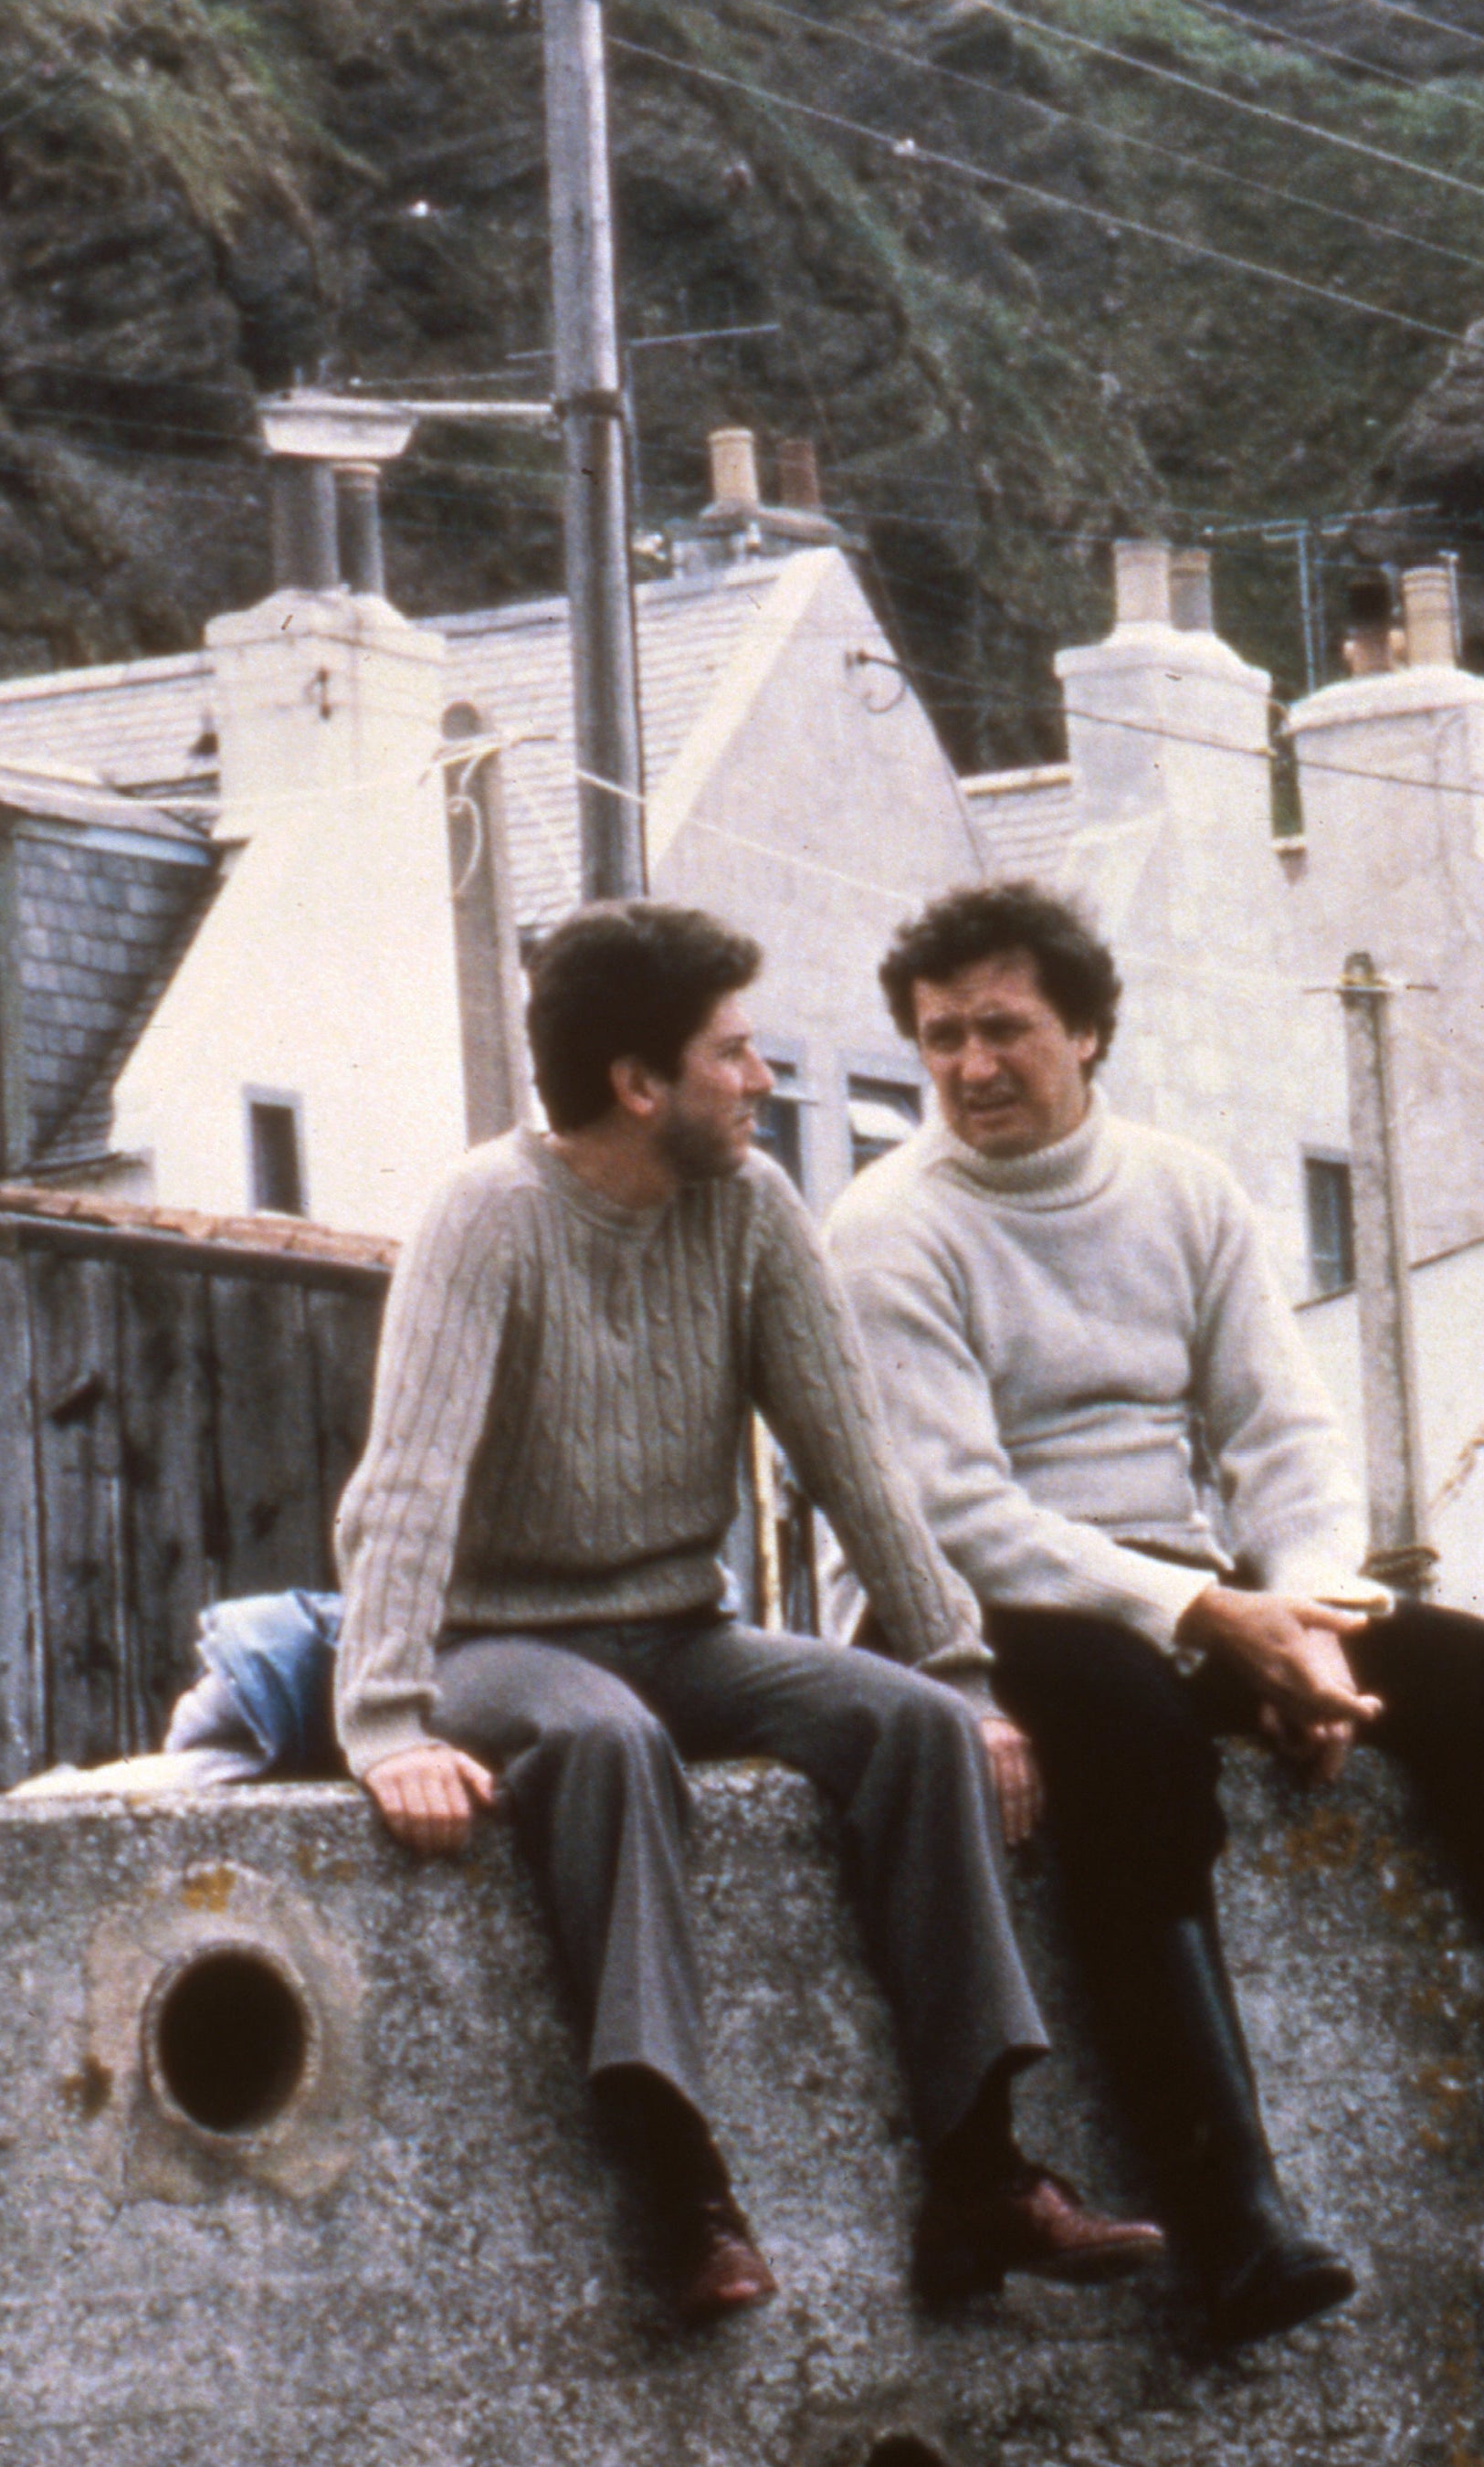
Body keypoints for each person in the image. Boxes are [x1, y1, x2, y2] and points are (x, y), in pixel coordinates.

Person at [825, 880, 1484, 2351]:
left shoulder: (1180, 1188)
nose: (969, 1065)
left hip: (1186, 1581)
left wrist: (1301, 1612)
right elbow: (951, 1508)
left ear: (1088, 1031)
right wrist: (1207, 1616)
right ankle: (1231, 2227)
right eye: (937, 1039)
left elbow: (1281, 1438)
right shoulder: (886, 1225)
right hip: (976, 1608)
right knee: (1126, 1739)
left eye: (1004, 1028)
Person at [330, 900, 1157, 2325]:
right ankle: (680, 2187)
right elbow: (400, 1487)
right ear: (638, 1082)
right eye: (734, 1053)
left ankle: (980, 2173)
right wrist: (389, 1715)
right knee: (602, 1743)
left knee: (903, 1724)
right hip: (499, 1643)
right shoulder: (486, 1216)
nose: (761, 1079)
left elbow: (855, 1460)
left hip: (678, 1623)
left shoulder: (750, 1205)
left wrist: (958, 1673)